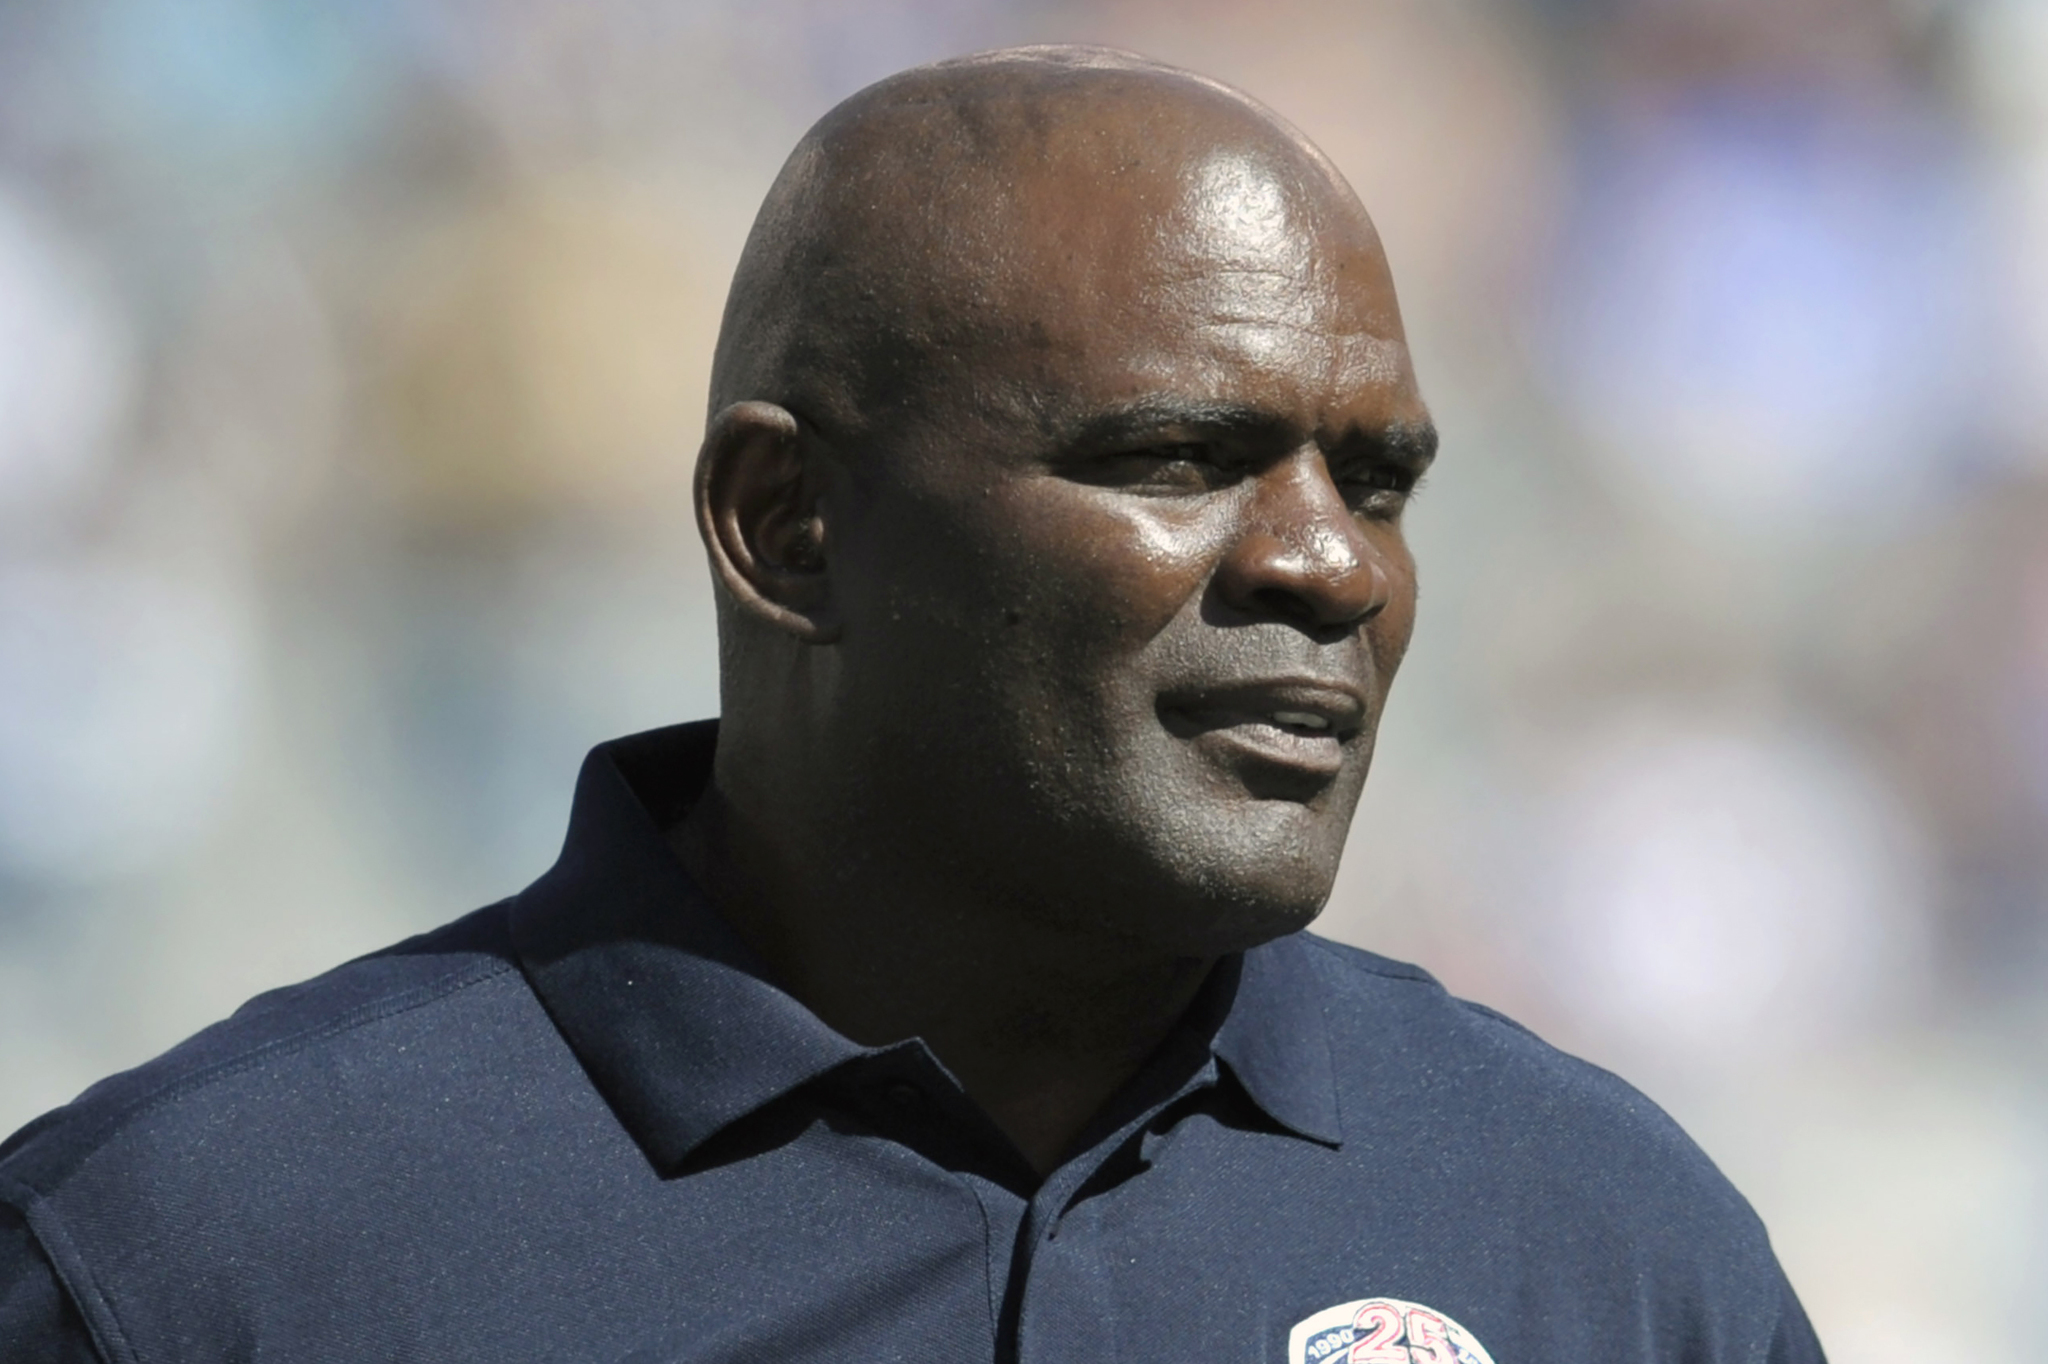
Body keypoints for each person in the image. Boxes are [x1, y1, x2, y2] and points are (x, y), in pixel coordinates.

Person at [0, 47, 1824, 1363]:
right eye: (1181, 457)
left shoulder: (1602, 1244)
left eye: (1380, 481)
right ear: (786, 528)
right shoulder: (192, 1259)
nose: (1330, 565)